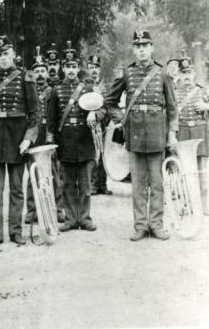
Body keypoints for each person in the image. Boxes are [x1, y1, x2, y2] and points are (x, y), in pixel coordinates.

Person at [106, 29, 178, 241]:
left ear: (151, 48)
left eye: (145, 46)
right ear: (134, 50)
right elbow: (110, 100)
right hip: (134, 134)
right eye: (137, 47)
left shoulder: (162, 73)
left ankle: (156, 225)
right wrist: (120, 121)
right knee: (137, 185)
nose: (141, 50)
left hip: (157, 134)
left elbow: (172, 107)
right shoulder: (127, 73)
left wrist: (172, 133)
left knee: (156, 183)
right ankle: (140, 226)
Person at [0, 28, 39, 247]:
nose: (3, 58)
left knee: (16, 190)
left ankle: (15, 231)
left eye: (6, 53)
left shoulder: (25, 76)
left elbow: (35, 114)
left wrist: (28, 139)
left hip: (17, 139)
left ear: (13, 53)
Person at [46, 43, 103, 232]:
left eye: (74, 67)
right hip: (65, 143)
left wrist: (94, 114)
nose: (71, 70)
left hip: (85, 141)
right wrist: (51, 142)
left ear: (79, 68)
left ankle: (85, 218)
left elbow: (102, 110)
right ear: (63, 68)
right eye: (68, 67)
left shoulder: (88, 89)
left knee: (85, 185)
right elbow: (52, 120)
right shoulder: (56, 91)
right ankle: (70, 219)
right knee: (68, 184)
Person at [25, 47, 64, 225]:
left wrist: (51, 137)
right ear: (32, 74)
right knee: (32, 174)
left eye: (42, 71)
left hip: (49, 137)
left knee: (53, 174)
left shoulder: (53, 92)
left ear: (47, 73)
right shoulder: (28, 91)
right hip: (33, 136)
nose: (40, 75)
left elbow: (54, 117)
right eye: (36, 72)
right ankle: (32, 211)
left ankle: (58, 209)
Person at [176, 55, 209, 214]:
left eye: (189, 72)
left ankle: (204, 205)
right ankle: (187, 204)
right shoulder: (175, 93)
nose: (187, 76)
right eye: (184, 73)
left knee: (201, 170)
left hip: (199, 132)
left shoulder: (203, 90)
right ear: (180, 75)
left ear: (194, 73)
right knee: (185, 170)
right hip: (183, 133)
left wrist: (206, 106)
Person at [87, 49, 112, 196]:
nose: (94, 71)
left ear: (100, 69)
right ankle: (93, 184)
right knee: (93, 154)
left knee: (104, 154)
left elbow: (110, 104)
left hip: (104, 125)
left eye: (96, 68)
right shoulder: (84, 86)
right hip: (90, 125)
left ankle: (103, 184)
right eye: (91, 68)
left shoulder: (106, 87)